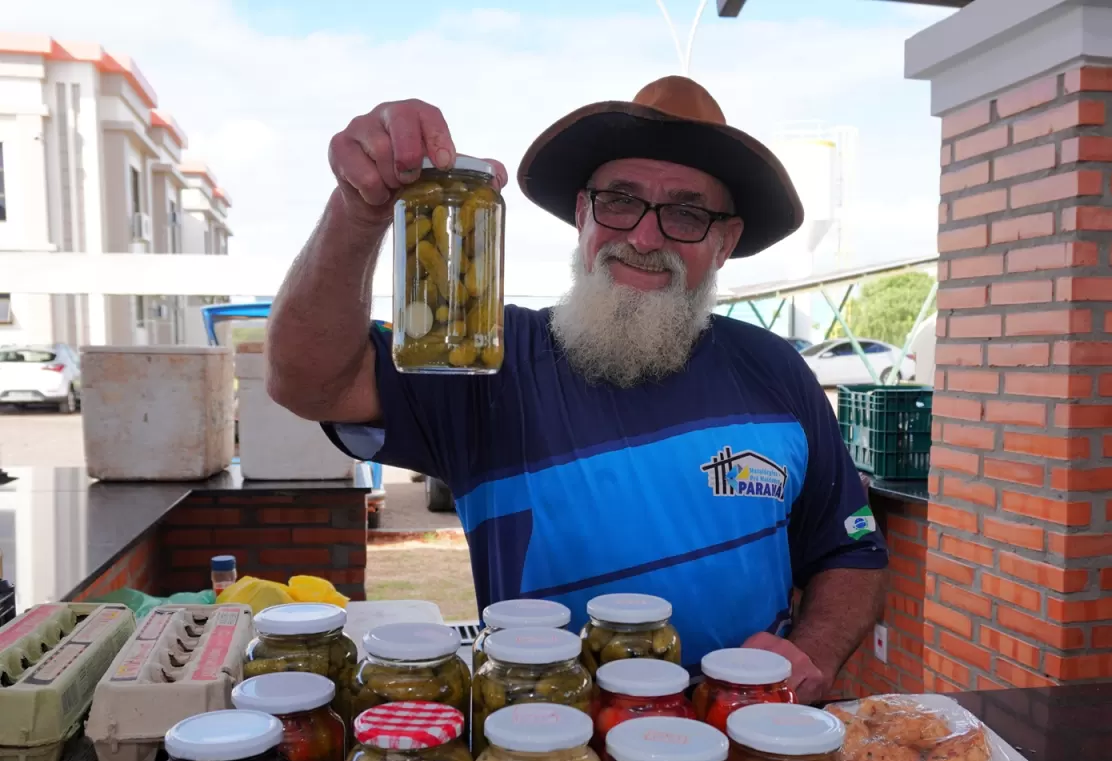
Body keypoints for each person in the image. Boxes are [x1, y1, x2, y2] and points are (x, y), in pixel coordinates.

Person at [266, 76, 888, 701]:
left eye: (687, 213)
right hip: (541, 743)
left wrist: (814, 651)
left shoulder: (775, 369)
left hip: (745, 737)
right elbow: (310, 381)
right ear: (583, 214)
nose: (644, 239)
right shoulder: (489, 360)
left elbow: (850, 550)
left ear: (724, 242)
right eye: (620, 200)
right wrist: (358, 210)